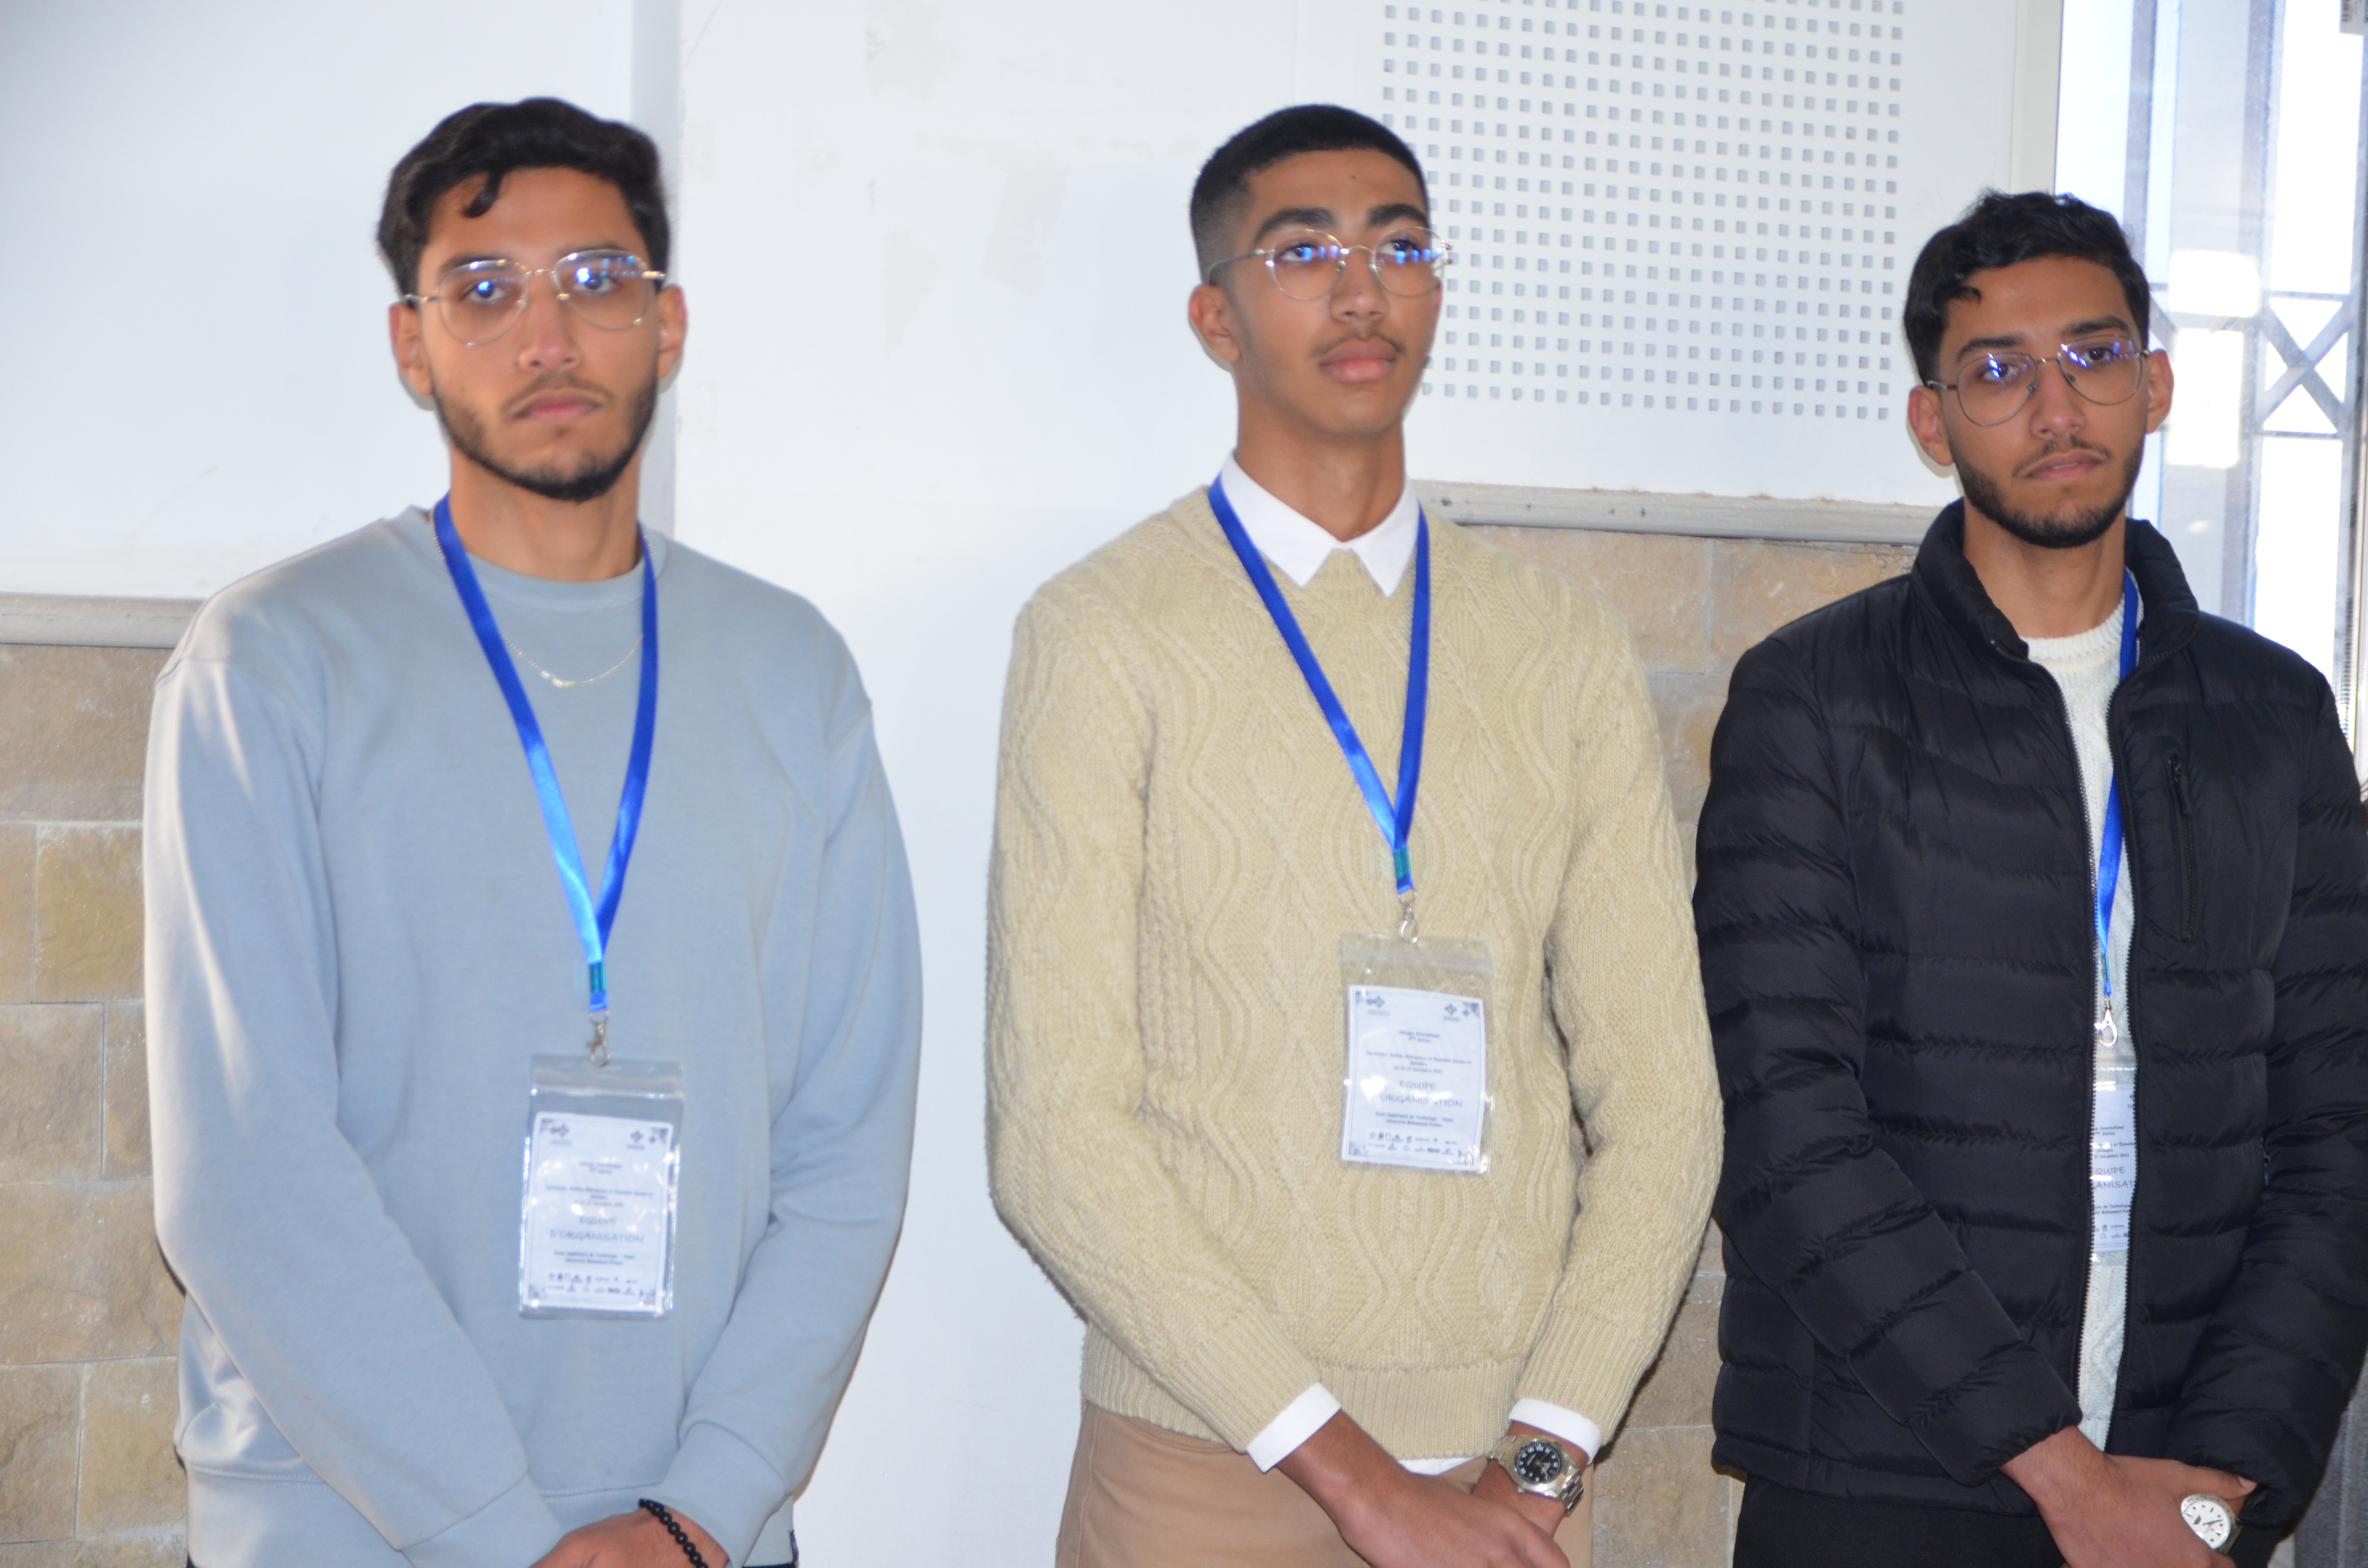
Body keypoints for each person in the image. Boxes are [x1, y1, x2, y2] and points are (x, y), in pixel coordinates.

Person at [144, 98, 922, 1568]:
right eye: (485, 290)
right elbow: (248, 1176)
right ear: (412, 346)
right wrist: (502, 1536)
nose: (547, 337)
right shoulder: (274, 662)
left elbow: (849, 1149)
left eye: (598, 281)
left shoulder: (791, 672)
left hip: (693, 1533)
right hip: (341, 1527)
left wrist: (702, 1507)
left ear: (667, 325)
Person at [985, 104, 1722, 1568]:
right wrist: (1356, 1478)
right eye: (1303, 251)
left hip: (1506, 1477)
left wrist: (1542, 1459)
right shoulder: (1100, 633)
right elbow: (1053, 1139)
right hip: (1203, 1467)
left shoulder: (1561, 644)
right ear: (1216, 317)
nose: (1362, 288)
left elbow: (1667, 1108)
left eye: (1400, 247)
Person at [1696, 189, 2368, 1568]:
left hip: (2188, 1468)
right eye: (1998, 372)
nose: (2056, 407)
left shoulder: (2274, 714)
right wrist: (2065, 1477)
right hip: (1882, 1473)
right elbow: (1788, 1131)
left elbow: (2337, 1126)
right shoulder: (1816, 698)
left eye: (2094, 355)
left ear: (2157, 384)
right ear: (1932, 422)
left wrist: (2227, 1477)